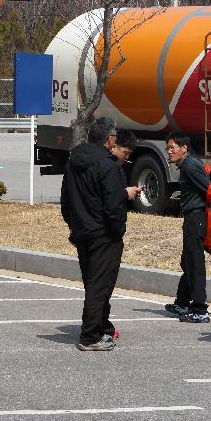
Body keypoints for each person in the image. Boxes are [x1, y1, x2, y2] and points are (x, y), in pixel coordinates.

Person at [60, 117, 128, 351]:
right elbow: (113, 205)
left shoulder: (73, 161)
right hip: (103, 234)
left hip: (82, 232)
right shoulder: (106, 165)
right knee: (100, 285)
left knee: (93, 283)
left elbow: (65, 201)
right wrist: (118, 230)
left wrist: (73, 225)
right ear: (110, 139)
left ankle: (100, 327)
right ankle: (90, 336)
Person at [164, 132, 211, 323]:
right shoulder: (185, 165)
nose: (169, 151)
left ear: (184, 148)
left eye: (172, 147)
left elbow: (208, 190)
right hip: (192, 218)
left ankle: (200, 310)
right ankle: (182, 303)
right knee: (187, 262)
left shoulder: (191, 166)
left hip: (197, 218)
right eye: (168, 148)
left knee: (195, 264)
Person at [111, 129, 143, 201]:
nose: (127, 157)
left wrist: (130, 191)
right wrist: (125, 193)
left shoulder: (118, 168)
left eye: (129, 154)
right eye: (125, 153)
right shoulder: (103, 167)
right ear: (114, 147)